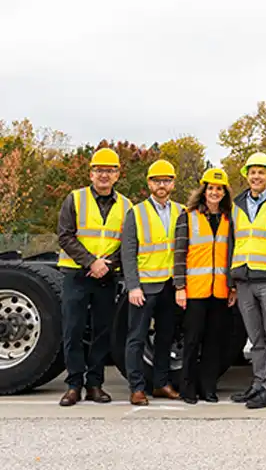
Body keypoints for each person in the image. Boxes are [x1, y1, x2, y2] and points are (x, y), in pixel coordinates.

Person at [54, 147, 134, 406]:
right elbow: (65, 235)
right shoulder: (74, 199)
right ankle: (74, 385)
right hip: (76, 274)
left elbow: (129, 243)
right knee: (73, 330)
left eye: (109, 170)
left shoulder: (126, 206)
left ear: (117, 175)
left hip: (106, 277)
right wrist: (91, 262)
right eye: (99, 170)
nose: (104, 175)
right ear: (91, 173)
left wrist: (108, 265)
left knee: (102, 332)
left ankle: (95, 385)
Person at [228, 152, 266, 409]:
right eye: (252, 172)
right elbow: (232, 241)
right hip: (243, 278)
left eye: (261, 172)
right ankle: (258, 384)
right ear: (247, 175)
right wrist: (231, 279)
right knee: (255, 337)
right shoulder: (237, 204)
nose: (256, 177)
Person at [121, 159, 185, 405]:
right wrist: (133, 286)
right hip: (145, 287)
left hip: (169, 285)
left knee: (165, 337)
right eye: (157, 181)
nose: (162, 185)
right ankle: (137, 388)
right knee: (136, 338)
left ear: (173, 184)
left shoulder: (181, 211)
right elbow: (128, 253)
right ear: (149, 183)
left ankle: (161, 384)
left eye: (166, 181)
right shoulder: (136, 213)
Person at [172, 167, 237, 404]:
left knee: (213, 342)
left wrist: (232, 287)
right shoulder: (187, 216)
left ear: (225, 193)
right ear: (203, 190)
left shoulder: (230, 219)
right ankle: (187, 388)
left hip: (219, 291)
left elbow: (232, 255)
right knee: (192, 341)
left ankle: (208, 387)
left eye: (219, 189)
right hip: (195, 291)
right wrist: (179, 287)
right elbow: (179, 254)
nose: (214, 192)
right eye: (210, 188)